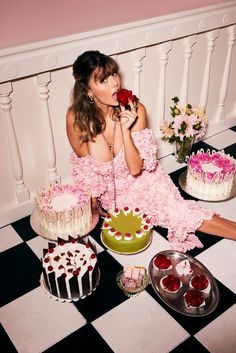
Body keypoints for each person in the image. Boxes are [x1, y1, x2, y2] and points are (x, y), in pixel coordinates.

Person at [66, 50, 236, 252]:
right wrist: (94, 202)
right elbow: (86, 170)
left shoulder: (136, 110)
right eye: (103, 80)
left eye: (114, 74)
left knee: (178, 213)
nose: (114, 83)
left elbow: (137, 168)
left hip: (145, 180)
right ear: (88, 90)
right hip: (113, 196)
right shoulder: (76, 120)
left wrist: (125, 131)